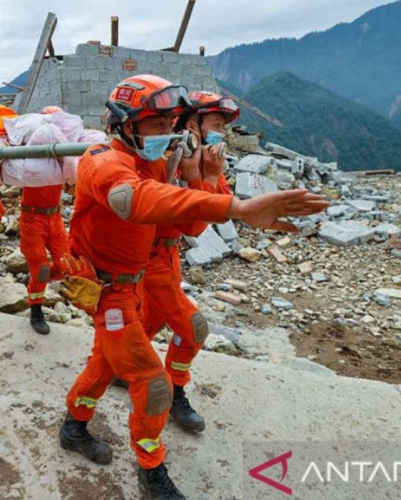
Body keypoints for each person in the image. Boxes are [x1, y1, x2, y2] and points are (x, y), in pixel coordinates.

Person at [57, 74, 328, 499]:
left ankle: (74, 426)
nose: (167, 132)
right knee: (152, 382)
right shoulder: (102, 161)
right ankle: (151, 470)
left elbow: (186, 224)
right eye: (156, 123)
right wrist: (235, 206)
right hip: (109, 293)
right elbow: (136, 200)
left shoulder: (152, 163)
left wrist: (204, 182)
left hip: (134, 284)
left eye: (171, 122)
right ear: (124, 124)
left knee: (108, 364)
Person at [140, 91, 238, 435]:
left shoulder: (205, 160)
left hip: (169, 255)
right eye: (215, 124)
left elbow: (223, 207)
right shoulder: (166, 159)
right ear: (192, 124)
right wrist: (204, 178)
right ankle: (175, 390)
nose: (220, 134)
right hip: (150, 257)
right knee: (192, 328)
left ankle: (120, 370)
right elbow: (194, 225)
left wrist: (210, 176)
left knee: (146, 325)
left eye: (223, 127)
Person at [18, 105, 70, 335]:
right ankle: (35, 309)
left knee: (65, 265)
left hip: (55, 217)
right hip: (32, 219)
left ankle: (35, 279)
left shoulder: (65, 156)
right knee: (40, 269)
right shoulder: (28, 155)